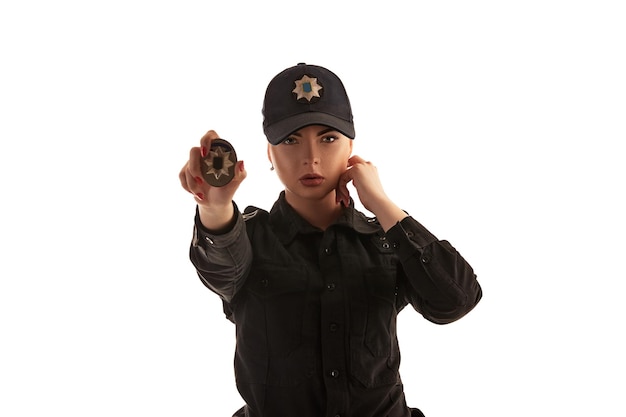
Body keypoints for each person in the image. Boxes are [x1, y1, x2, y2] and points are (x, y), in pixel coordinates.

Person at [179, 63, 482, 417]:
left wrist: (383, 204)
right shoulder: (250, 238)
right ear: (270, 154)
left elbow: (456, 301)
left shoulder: (384, 242)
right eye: (291, 140)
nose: (311, 157)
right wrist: (214, 209)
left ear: (351, 145)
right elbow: (221, 263)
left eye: (328, 137)